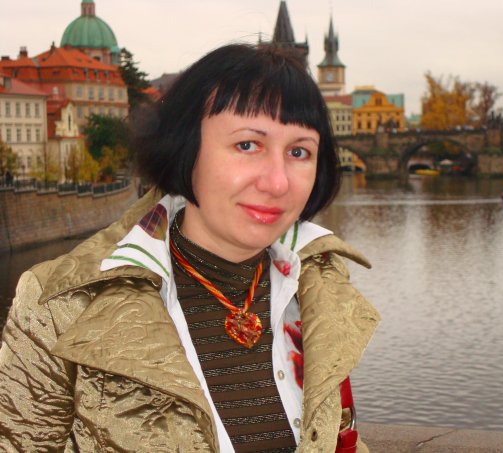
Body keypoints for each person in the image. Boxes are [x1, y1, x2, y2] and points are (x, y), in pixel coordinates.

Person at [0, 44, 380, 452]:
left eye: (299, 152)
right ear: (185, 146)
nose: (277, 182)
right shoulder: (60, 305)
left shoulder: (319, 283)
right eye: (247, 145)